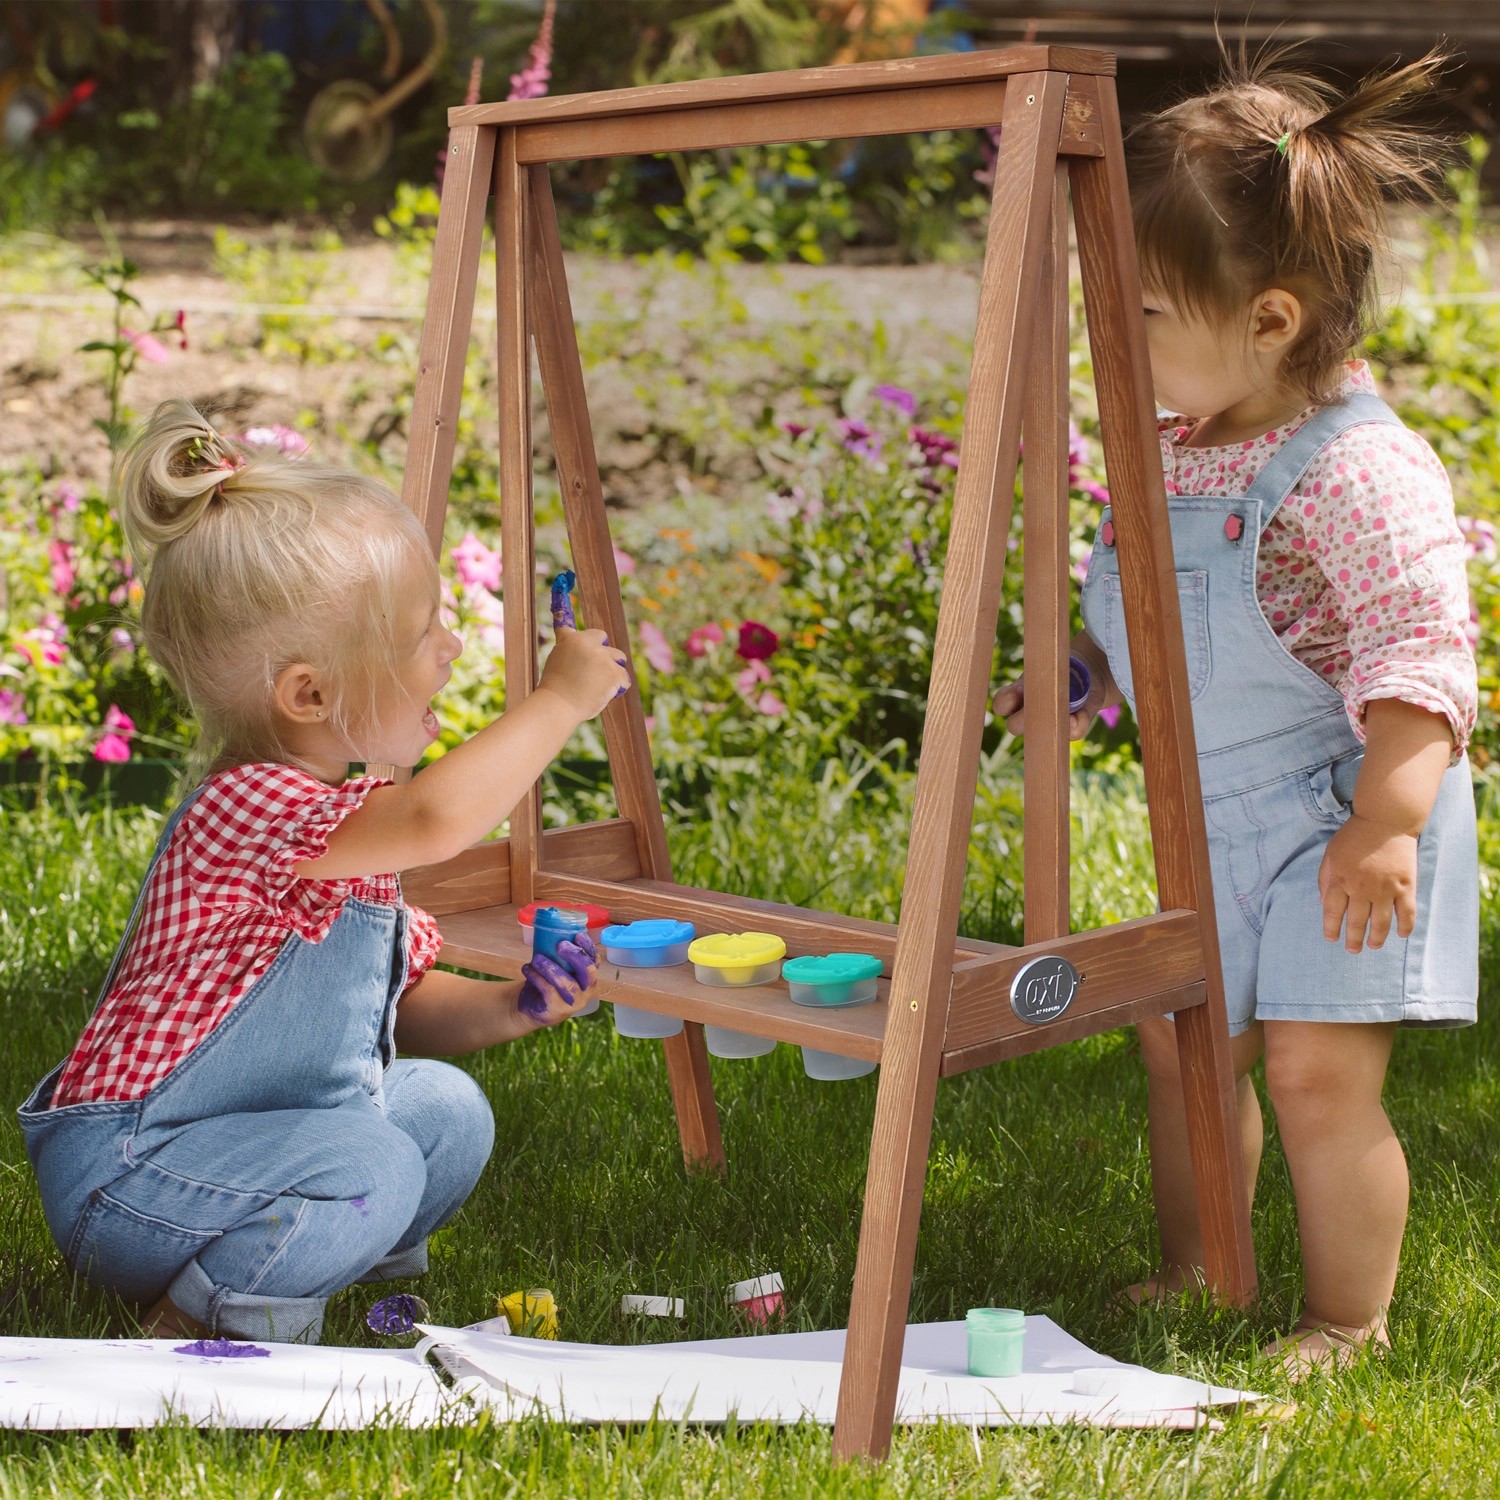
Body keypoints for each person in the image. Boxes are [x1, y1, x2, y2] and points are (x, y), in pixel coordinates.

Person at [994, 48, 1478, 1375]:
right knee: (1183, 1044)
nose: (1117, 342)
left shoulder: (1362, 469)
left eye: (1143, 314)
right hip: (1212, 817)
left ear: (1269, 319)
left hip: (1345, 822)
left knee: (1323, 1081)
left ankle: (1346, 1320)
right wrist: (1088, 677)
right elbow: (1153, 607)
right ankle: (1206, 1265)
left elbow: (1421, 661)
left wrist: (1384, 824)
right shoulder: (1174, 440)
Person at [19, 400, 630, 1344]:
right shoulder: (254, 807)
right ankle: (186, 1327)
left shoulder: (353, 828)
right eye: (423, 635)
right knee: (370, 1159)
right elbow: (440, 817)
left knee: (445, 1112)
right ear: (310, 693)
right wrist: (558, 702)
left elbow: (402, 1008)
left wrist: (517, 1003)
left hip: (254, 1155)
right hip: (132, 1177)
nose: (452, 648)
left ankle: (318, 1272)